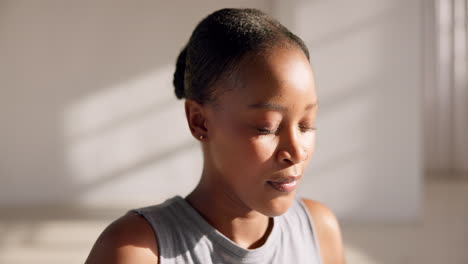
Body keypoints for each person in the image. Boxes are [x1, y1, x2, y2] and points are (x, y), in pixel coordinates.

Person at [85, 8, 345, 264]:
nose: (297, 151)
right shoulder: (136, 250)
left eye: (306, 124)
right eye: (267, 127)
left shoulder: (319, 232)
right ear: (200, 122)